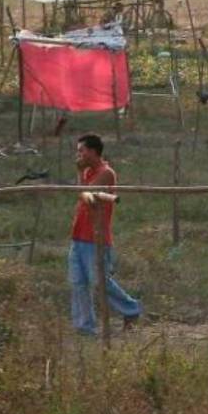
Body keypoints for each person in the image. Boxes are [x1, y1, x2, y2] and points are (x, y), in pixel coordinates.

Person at [68, 133, 141, 336]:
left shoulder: (105, 172)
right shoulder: (88, 172)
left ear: (92, 151)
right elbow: (83, 194)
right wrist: (81, 175)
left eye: (81, 151)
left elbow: (87, 196)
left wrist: (78, 175)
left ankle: (131, 309)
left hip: (96, 237)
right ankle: (84, 327)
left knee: (99, 281)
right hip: (79, 235)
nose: (79, 155)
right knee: (78, 283)